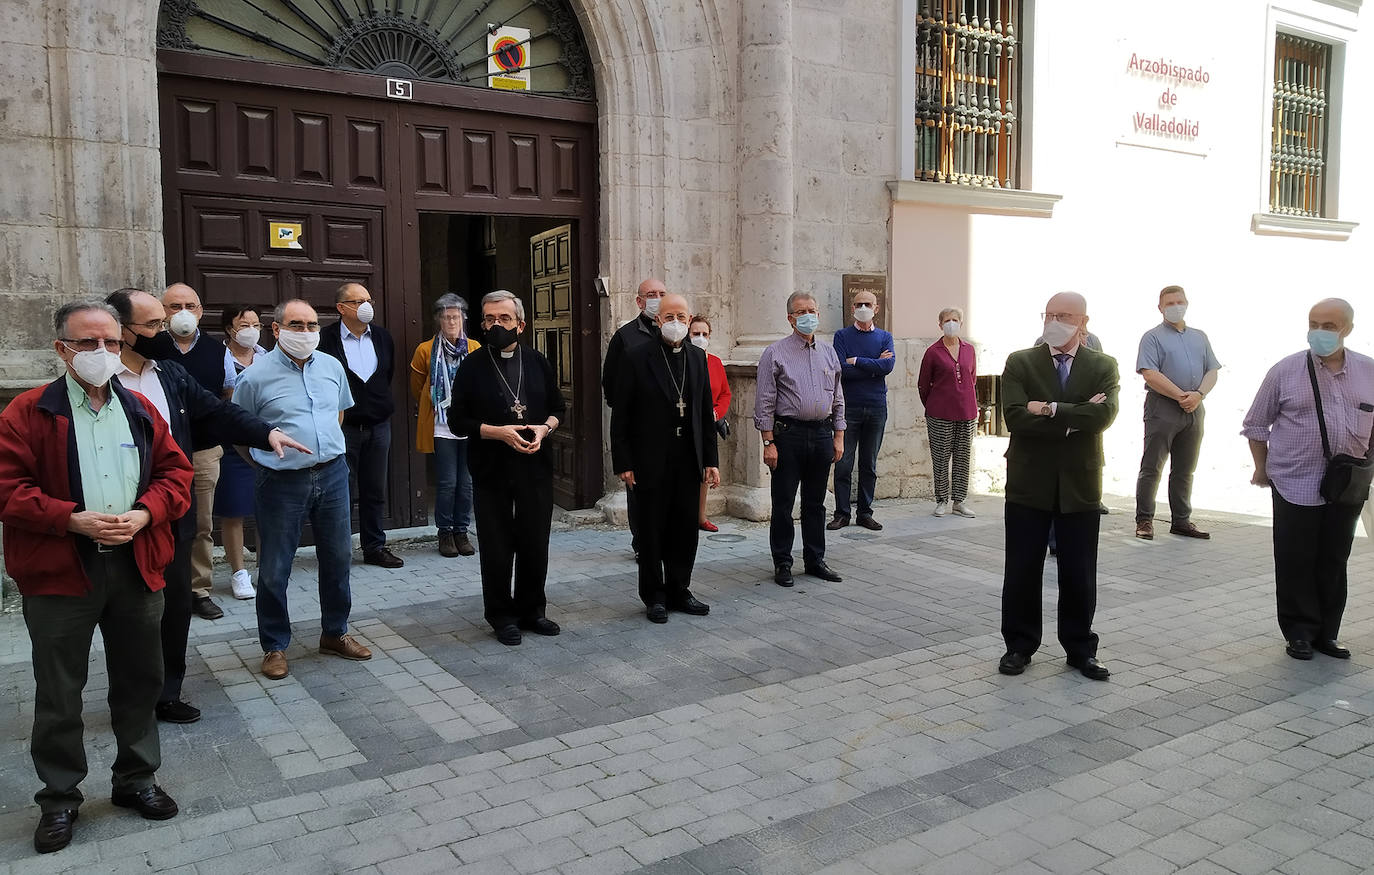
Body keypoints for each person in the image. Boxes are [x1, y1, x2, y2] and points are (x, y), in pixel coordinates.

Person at [0, 301, 192, 854]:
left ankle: (137, 780)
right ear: (62, 350)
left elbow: (175, 473)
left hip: (136, 563)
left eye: (110, 341)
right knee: (60, 691)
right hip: (62, 573)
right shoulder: (27, 412)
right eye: (88, 344)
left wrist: (148, 513)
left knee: (140, 680)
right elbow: (6, 489)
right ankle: (60, 799)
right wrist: (70, 519)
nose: (102, 353)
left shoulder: (138, 409)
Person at [109, 290, 306, 723]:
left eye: (164, 323)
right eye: (153, 325)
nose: (164, 332)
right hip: (115, 515)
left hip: (167, 511)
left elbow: (218, 411)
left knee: (175, 605)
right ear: (121, 331)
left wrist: (265, 432)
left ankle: (167, 691)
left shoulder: (171, 375)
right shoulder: (101, 383)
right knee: (125, 612)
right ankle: (128, 696)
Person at [232, 299, 372, 679]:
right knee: (275, 566)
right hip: (281, 483)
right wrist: (268, 465)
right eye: (296, 325)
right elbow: (241, 433)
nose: (306, 332)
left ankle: (335, 632)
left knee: (338, 557)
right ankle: (275, 645)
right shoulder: (254, 377)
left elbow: (339, 414)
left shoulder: (331, 367)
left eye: (312, 325)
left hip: (332, 474)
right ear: (276, 330)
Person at [1242, 297, 1373, 661]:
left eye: (1329, 326)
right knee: (1295, 558)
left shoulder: (1369, 371)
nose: (1319, 332)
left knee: (1334, 558)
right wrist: (1261, 467)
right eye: (1314, 323)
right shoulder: (1285, 371)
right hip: (1293, 480)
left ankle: (1327, 634)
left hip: (1346, 484)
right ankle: (1299, 632)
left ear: (1347, 328)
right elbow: (1255, 424)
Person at [998, 293, 1119, 682]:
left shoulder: (1103, 365)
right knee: (1021, 568)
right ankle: (1019, 645)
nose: (1054, 321)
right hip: (1028, 480)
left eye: (1063, 315)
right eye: (1049, 314)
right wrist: (1074, 416)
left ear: (1083, 320)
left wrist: (1049, 409)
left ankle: (1080, 648)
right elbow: (1015, 417)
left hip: (1079, 482)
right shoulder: (1020, 361)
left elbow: (1103, 416)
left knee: (1080, 571)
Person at [452, 291, 566, 645]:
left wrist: (544, 429)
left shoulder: (538, 361)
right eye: (489, 319)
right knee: (498, 543)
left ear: (521, 324)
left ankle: (533, 610)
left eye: (503, 318)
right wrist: (495, 432)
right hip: (491, 468)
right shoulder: (472, 365)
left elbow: (557, 408)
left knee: (535, 541)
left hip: (534, 466)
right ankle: (502, 615)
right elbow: (457, 421)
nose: (495, 325)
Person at [613, 295, 721, 622]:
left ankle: (679, 588)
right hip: (649, 458)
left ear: (689, 322)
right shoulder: (636, 357)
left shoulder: (697, 358)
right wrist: (624, 463)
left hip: (688, 456)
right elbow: (622, 416)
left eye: (682, 317)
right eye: (669, 316)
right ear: (658, 321)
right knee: (651, 530)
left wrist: (710, 460)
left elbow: (705, 413)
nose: (676, 322)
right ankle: (654, 596)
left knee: (685, 528)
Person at [755, 292, 846, 587]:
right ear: (790, 318)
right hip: (788, 435)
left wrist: (839, 436)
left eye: (812, 310)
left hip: (821, 433)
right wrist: (768, 442)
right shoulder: (775, 353)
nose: (808, 316)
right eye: (801, 311)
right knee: (783, 502)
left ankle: (815, 559)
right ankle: (782, 562)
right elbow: (765, 400)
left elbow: (838, 397)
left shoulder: (829, 353)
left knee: (815, 503)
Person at [159, 282, 232, 620]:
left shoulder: (219, 351)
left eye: (190, 305)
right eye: (175, 306)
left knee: (201, 523)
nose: (183, 312)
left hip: (203, 451)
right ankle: (159, 588)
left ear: (201, 312)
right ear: (163, 313)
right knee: (158, 520)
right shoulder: (151, 348)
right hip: (158, 453)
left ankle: (198, 590)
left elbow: (228, 394)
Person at [318, 282, 402, 568]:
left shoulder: (382, 337)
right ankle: (337, 550)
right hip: (343, 427)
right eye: (357, 301)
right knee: (340, 491)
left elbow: (386, 375)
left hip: (378, 427)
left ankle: (374, 547)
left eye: (368, 299)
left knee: (374, 490)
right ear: (341, 308)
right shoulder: (325, 339)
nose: (366, 306)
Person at [1135, 285, 1222, 540]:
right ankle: (1144, 520)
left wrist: (1198, 395)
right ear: (1160, 308)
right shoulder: (1152, 337)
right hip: (1163, 407)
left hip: (1195, 407)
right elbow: (1150, 373)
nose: (1175, 306)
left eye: (1179, 301)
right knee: (1152, 466)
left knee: (1185, 468)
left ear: (1187, 303)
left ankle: (1181, 520)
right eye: (1169, 303)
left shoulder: (1200, 336)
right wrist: (1181, 396)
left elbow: (1213, 370)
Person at [410, 293, 482, 557]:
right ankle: (445, 533)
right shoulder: (425, 350)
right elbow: (417, 387)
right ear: (438, 320)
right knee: (447, 482)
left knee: (466, 483)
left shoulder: (474, 347)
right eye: (446, 316)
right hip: (441, 425)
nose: (451, 321)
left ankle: (462, 531)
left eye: (456, 316)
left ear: (463, 319)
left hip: (469, 425)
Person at [602, 278, 667, 556]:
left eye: (662, 294)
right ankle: (642, 544)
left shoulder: (677, 332)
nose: (657, 298)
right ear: (639, 302)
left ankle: (667, 541)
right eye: (651, 295)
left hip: (671, 429)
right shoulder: (625, 336)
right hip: (640, 431)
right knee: (639, 492)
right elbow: (610, 382)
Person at [829, 290, 895, 531]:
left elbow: (888, 366)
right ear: (852, 308)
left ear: (876, 308)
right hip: (849, 408)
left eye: (868, 304)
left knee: (869, 464)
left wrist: (856, 361)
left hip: (877, 407)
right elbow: (840, 370)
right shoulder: (842, 336)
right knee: (843, 463)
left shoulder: (885, 337)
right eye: (859, 304)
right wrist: (873, 365)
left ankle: (865, 513)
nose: (863, 307)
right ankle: (842, 513)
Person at [216, 303, 269, 600]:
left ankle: (267, 567)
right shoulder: (217, 359)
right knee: (233, 510)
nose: (251, 330)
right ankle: (238, 572)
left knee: (267, 508)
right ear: (229, 328)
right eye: (244, 324)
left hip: (264, 438)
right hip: (232, 442)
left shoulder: (269, 359)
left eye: (255, 324)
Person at [917, 307, 977, 519]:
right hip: (939, 412)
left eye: (955, 320)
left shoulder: (969, 349)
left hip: (967, 411)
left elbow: (973, 377)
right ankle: (941, 500)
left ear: (961, 323)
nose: (951, 323)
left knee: (963, 457)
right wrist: (933, 404)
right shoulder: (933, 352)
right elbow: (923, 385)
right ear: (940, 324)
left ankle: (959, 501)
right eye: (947, 320)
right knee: (941, 457)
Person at [689, 315, 732, 532]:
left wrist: (716, 413)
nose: (700, 338)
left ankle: (700, 516)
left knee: (704, 473)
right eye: (695, 334)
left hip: (708, 424)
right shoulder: (684, 360)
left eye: (704, 334)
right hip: (687, 425)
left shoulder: (714, 362)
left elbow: (725, 393)